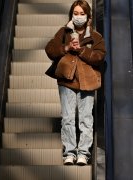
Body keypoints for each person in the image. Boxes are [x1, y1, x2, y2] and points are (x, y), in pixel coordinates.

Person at [45, 0, 106, 165]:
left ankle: (84, 153)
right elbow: (50, 49)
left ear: (88, 16)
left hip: (88, 80)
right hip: (67, 79)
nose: (79, 17)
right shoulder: (63, 32)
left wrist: (82, 50)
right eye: (76, 13)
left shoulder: (95, 36)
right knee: (68, 117)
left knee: (86, 118)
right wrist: (66, 48)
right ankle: (69, 152)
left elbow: (99, 57)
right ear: (71, 14)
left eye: (82, 14)